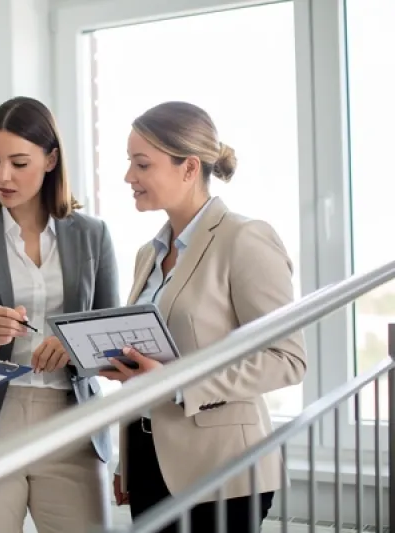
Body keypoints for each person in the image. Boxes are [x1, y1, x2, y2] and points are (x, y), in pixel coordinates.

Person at [99, 101, 307, 532]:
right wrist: (125, 459)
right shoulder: (148, 255)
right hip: (149, 459)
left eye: (142, 164)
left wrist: (175, 382)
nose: (128, 177)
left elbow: (287, 359)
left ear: (189, 168)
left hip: (223, 468)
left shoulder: (245, 238)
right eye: (128, 163)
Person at [0, 96, 119, 533]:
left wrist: (73, 347)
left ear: (51, 160)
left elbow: (111, 337)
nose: (2, 176)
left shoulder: (93, 235)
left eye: (18, 162)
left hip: (71, 423)